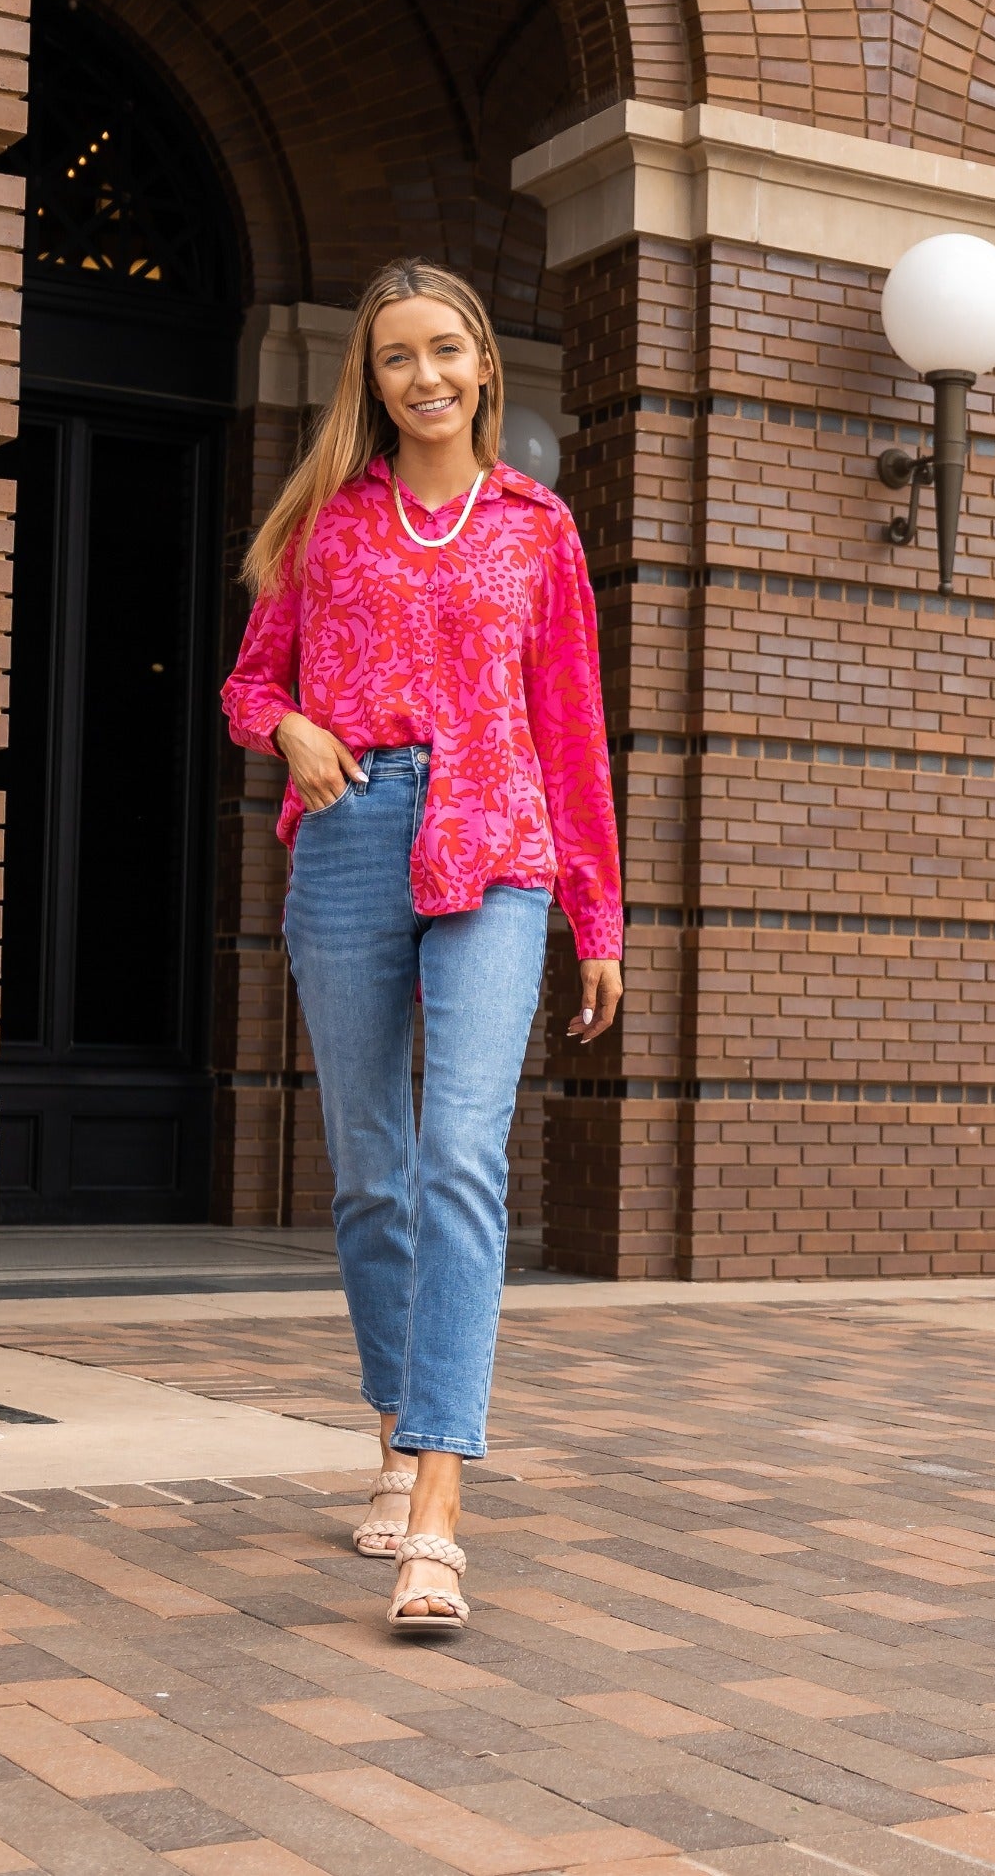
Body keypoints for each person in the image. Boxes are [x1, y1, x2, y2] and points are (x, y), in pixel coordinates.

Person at [222, 257, 623, 1634]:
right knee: (373, 1168)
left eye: (447, 349)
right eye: (399, 356)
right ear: (372, 377)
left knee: (462, 1148)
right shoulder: (326, 524)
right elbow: (249, 677)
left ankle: (440, 1498)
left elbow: (570, 724)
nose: (427, 375)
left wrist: (598, 914)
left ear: (484, 365)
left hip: (497, 845)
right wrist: (288, 728)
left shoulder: (538, 526)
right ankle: (394, 1426)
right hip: (348, 835)